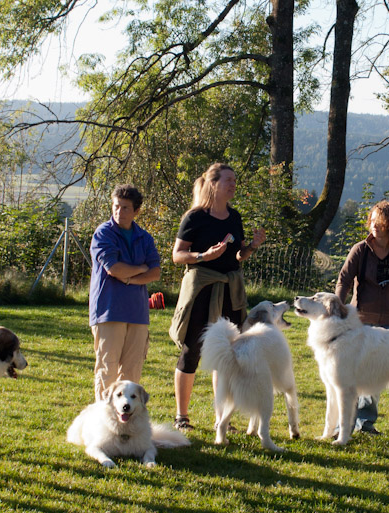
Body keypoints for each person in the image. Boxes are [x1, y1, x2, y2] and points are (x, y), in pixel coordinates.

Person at [168, 163, 265, 431]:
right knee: (192, 351)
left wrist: (252, 247)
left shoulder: (234, 217)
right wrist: (203, 256)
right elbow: (177, 255)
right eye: (228, 180)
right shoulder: (195, 217)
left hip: (229, 290)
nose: (234, 184)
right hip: (202, 289)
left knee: (226, 354)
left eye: (235, 180)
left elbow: (238, 255)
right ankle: (182, 417)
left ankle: (222, 420)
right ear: (213, 183)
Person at [335, 200, 389, 435]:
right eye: (372, 221)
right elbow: (344, 279)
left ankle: (365, 423)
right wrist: (339, 307)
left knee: (374, 373)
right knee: (350, 373)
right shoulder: (360, 250)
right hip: (359, 321)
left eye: (379, 222)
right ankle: (342, 425)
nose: (374, 226)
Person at [89, 184, 162, 401]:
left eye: (125, 208)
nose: (119, 211)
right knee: (107, 370)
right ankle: (103, 425)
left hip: (138, 313)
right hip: (109, 311)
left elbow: (155, 272)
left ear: (136, 211)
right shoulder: (103, 233)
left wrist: (129, 277)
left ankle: (126, 428)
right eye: (116, 206)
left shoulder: (145, 237)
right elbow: (114, 269)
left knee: (132, 374)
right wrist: (141, 269)